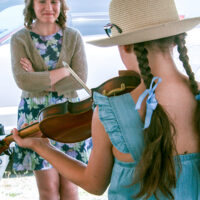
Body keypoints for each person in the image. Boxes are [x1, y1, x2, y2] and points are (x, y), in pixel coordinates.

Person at [12, 0, 200, 199]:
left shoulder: (109, 111)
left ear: (125, 46)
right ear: (176, 40)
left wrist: (41, 146)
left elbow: (93, 184)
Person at [10, 0, 92, 199]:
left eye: (54, 1)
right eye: (42, 1)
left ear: (62, 5)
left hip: (69, 119)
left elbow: (79, 79)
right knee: (48, 190)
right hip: (36, 120)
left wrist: (38, 77)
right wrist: (63, 72)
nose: (49, 7)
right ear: (31, 5)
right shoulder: (19, 39)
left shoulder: (73, 37)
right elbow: (23, 81)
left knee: (71, 188)